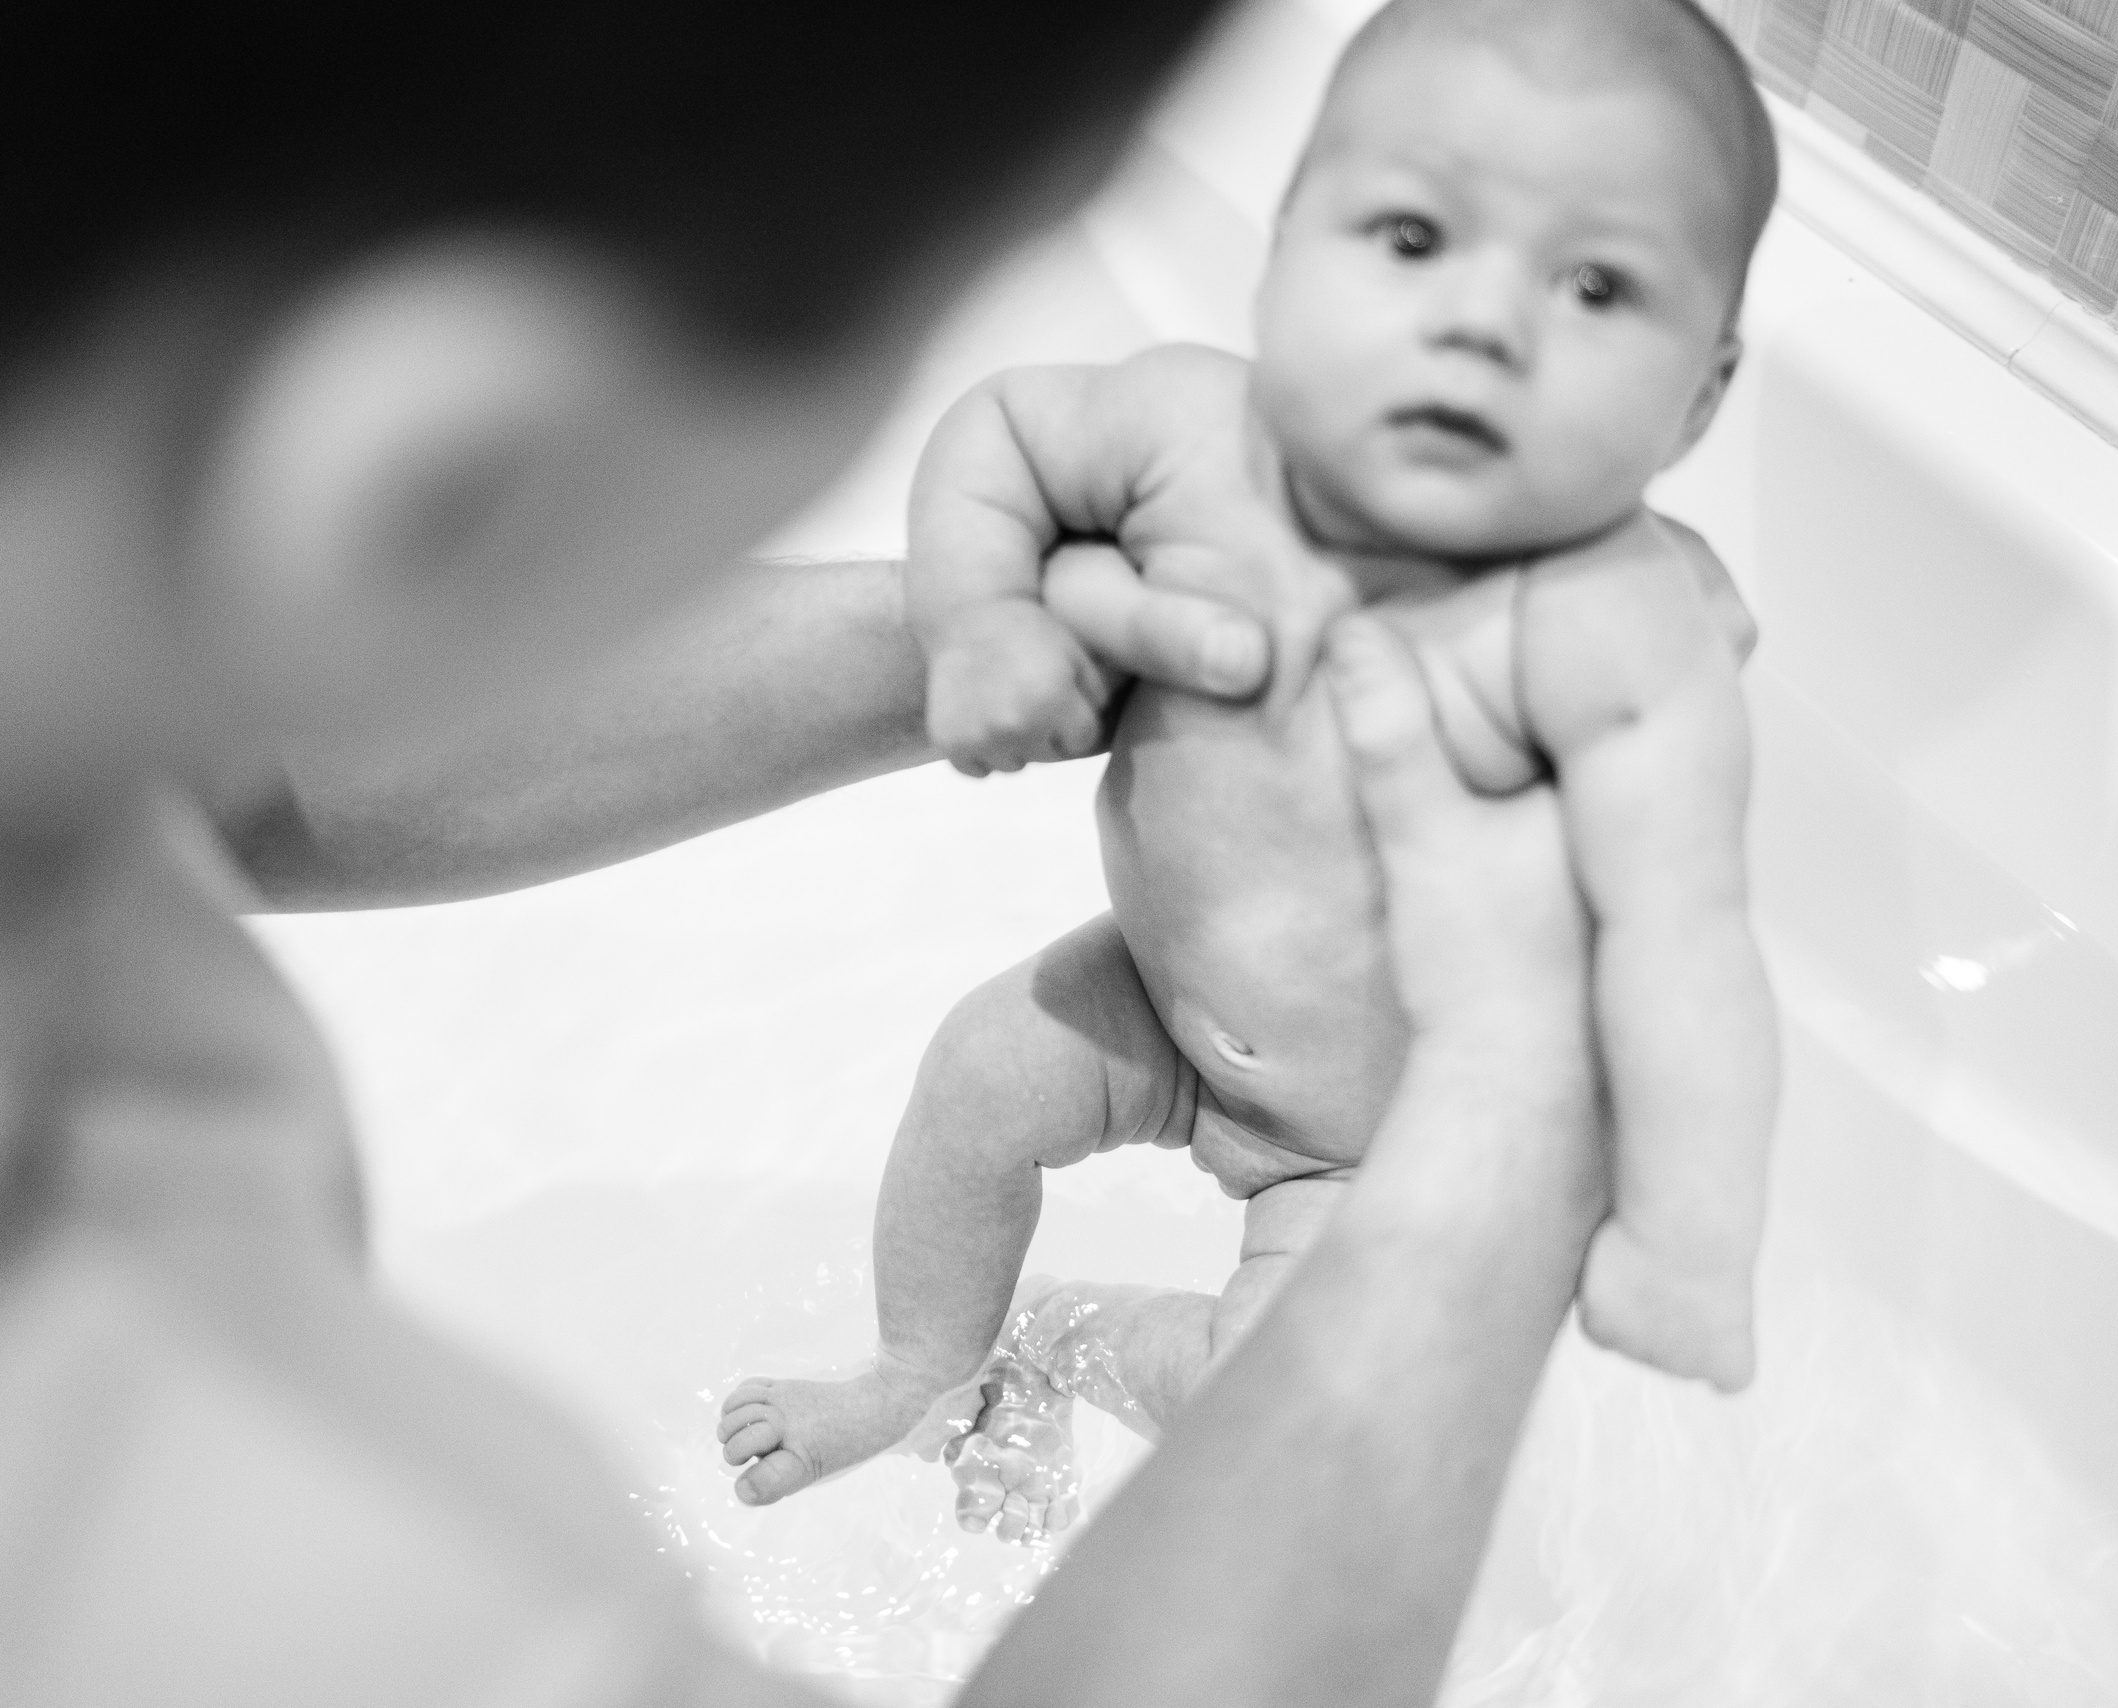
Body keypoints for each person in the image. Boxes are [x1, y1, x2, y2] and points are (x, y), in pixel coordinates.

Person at [0, 5, 1599, 1703]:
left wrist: (1002, 626)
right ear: (449, 488)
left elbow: (229, 763)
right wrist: (1495, 1128)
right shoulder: (171, 1535)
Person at [717, 0, 1780, 1534]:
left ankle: (1063, 1340)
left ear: (1698, 394)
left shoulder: (1639, 616)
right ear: (1283, 254)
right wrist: (979, 622)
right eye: (1414, 236)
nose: (1485, 319)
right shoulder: (1181, 432)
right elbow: (997, 432)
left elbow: (1689, 948)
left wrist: (1687, 1226)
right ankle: (919, 1364)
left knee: (1269, 1421)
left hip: (1373, 1150)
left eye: (1597, 284)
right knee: (979, 1073)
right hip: (1150, 1003)